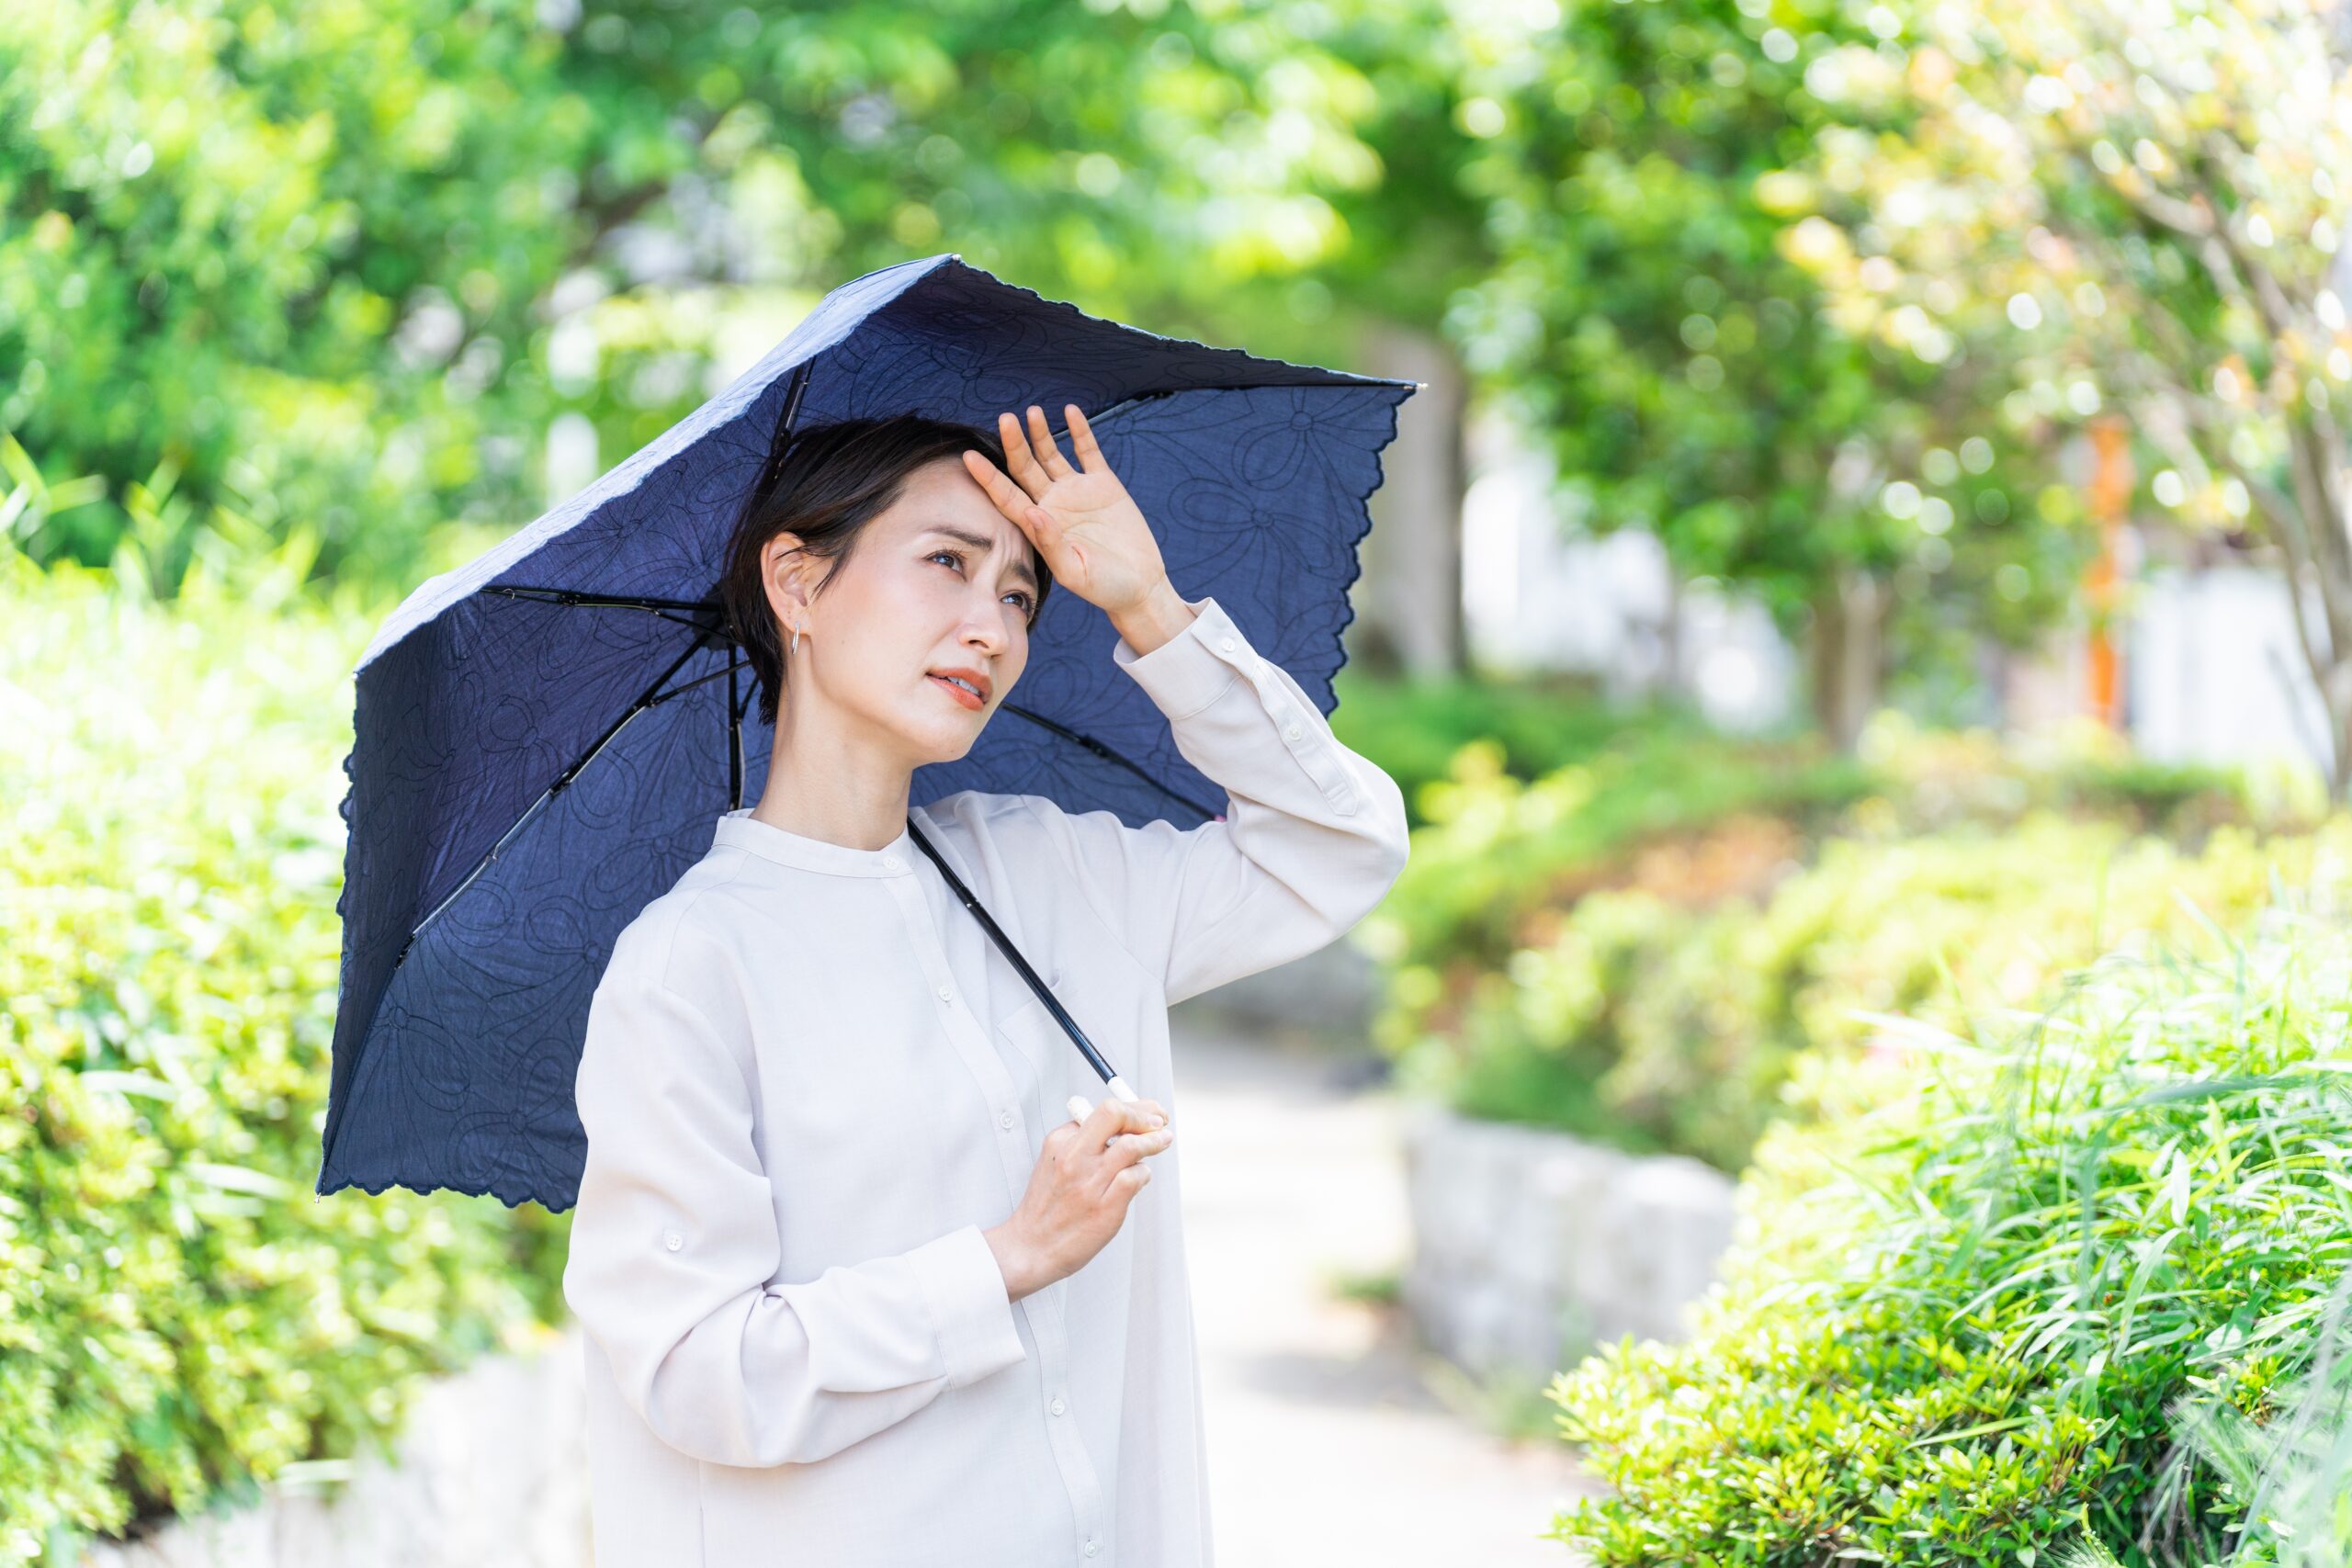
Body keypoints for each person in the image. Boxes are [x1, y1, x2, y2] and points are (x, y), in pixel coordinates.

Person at [560, 401, 1411, 1566]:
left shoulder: (1052, 872)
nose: (992, 627)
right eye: (947, 564)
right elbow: (699, 1374)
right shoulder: (691, 966)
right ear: (797, 586)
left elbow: (1338, 847)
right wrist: (1007, 1256)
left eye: (1018, 594)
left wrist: (1143, 605)